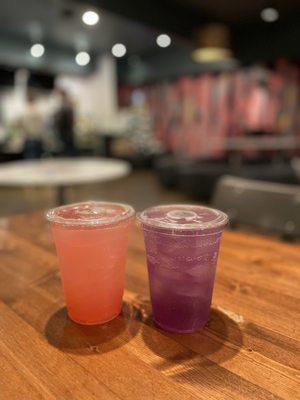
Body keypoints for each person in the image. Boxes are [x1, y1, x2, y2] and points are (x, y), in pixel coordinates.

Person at [21, 90, 44, 159]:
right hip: (37, 137)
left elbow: (24, 125)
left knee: (29, 159)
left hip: (29, 138)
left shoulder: (26, 112)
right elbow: (41, 124)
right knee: (37, 160)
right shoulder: (38, 111)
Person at [53, 88, 76, 156]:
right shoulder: (66, 105)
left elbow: (63, 120)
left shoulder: (65, 106)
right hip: (66, 133)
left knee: (68, 153)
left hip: (66, 133)